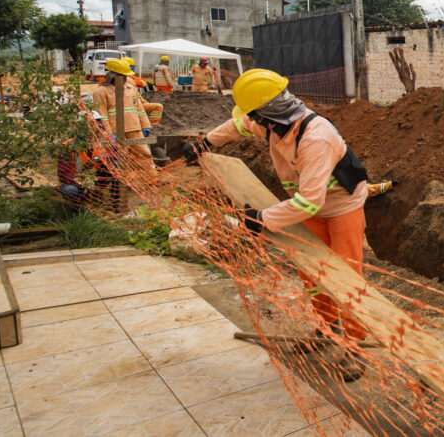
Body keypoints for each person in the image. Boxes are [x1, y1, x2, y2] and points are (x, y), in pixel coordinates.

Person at [185, 68, 370, 381]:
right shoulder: (272, 122)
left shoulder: (315, 138)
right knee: (312, 272)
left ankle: (354, 347)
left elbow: (310, 201)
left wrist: (261, 219)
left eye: (255, 116)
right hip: (306, 207)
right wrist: (205, 142)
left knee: (347, 277)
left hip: (341, 208)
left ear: (267, 113)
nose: (253, 122)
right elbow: (238, 124)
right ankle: (325, 330)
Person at [91, 58, 154, 170]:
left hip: (134, 128)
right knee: (122, 159)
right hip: (117, 131)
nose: (125, 78)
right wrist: (109, 134)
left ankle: (151, 181)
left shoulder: (131, 89)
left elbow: (139, 108)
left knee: (145, 155)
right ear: (112, 75)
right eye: (122, 76)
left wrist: (146, 125)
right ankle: (127, 183)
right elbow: (102, 115)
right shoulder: (100, 92)